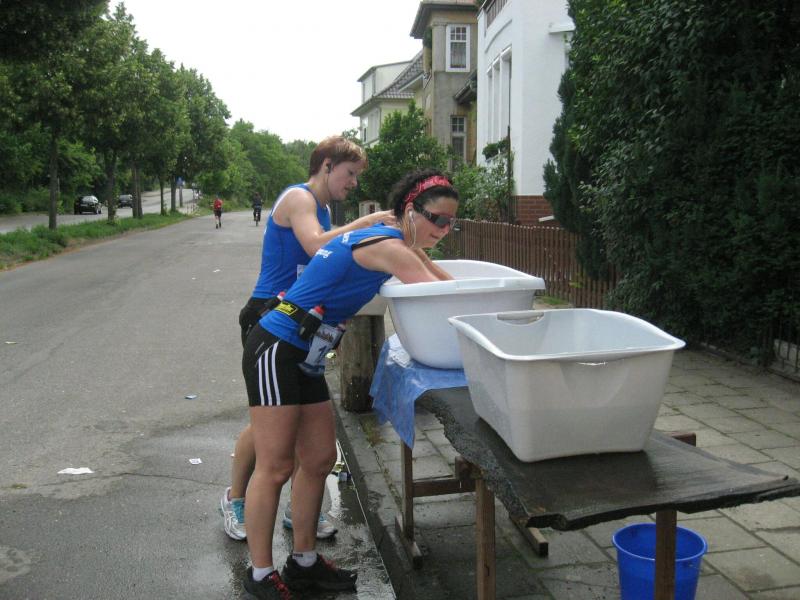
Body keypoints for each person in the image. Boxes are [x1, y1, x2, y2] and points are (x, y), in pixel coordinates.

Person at [241, 169, 459, 598]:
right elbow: (444, 295)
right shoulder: (389, 246)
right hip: (277, 347)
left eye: (452, 222)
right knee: (275, 466)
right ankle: (260, 575)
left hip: (307, 354)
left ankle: (303, 563)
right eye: (437, 218)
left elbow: (437, 276)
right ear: (410, 211)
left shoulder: (394, 237)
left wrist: (423, 241)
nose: (444, 229)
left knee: (319, 458)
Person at [221, 136, 396, 543]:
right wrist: (365, 223)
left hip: (304, 319)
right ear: (327, 165)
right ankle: (235, 499)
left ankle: (300, 510)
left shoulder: (321, 208)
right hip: (271, 315)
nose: (353, 183)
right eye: (350, 173)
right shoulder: (299, 199)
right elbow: (316, 245)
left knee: (300, 421)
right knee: (268, 424)